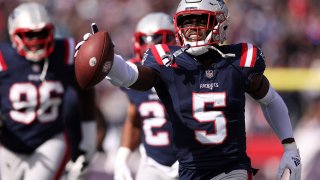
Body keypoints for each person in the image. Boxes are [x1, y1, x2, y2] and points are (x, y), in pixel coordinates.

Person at [76, 0, 302, 179]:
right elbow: (132, 76)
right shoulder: (167, 62)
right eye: (186, 22)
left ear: (219, 23)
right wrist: (110, 63)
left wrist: (290, 147)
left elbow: (269, 99)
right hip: (188, 171)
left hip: (231, 169)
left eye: (200, 20)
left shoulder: (240, 60)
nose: (192, 29)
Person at [0, 2, 96, 180]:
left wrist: (89, 136)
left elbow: (86, 90)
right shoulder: (3, 58)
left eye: (42, 33)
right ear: (14, 35)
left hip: (49, 140)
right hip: (9, 144)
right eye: (30, 35)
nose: (37, 40)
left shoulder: (65, 51)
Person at [113, 12, 178, 180]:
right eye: (145, 40)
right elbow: (134, 117)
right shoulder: (134, 72)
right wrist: (122, 157)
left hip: (189, 160)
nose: (150, 47)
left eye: (158, 39)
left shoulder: (186, 72)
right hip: (152, 164)